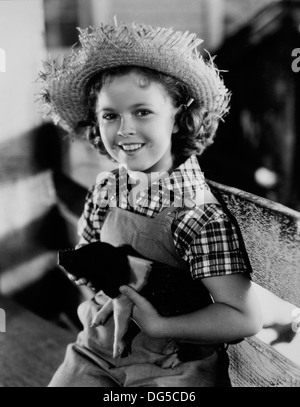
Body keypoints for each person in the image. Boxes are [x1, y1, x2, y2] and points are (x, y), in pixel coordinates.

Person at [39, 20, 263, 387]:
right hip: (98, 350)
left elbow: (243, 318)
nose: (124, 129)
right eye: (111, 115)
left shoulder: (197, 214)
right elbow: (91, 256)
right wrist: (93, 288)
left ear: (177, 117)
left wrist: (161, 325)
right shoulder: (107, 189)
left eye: (142, 112)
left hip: (172, 366)